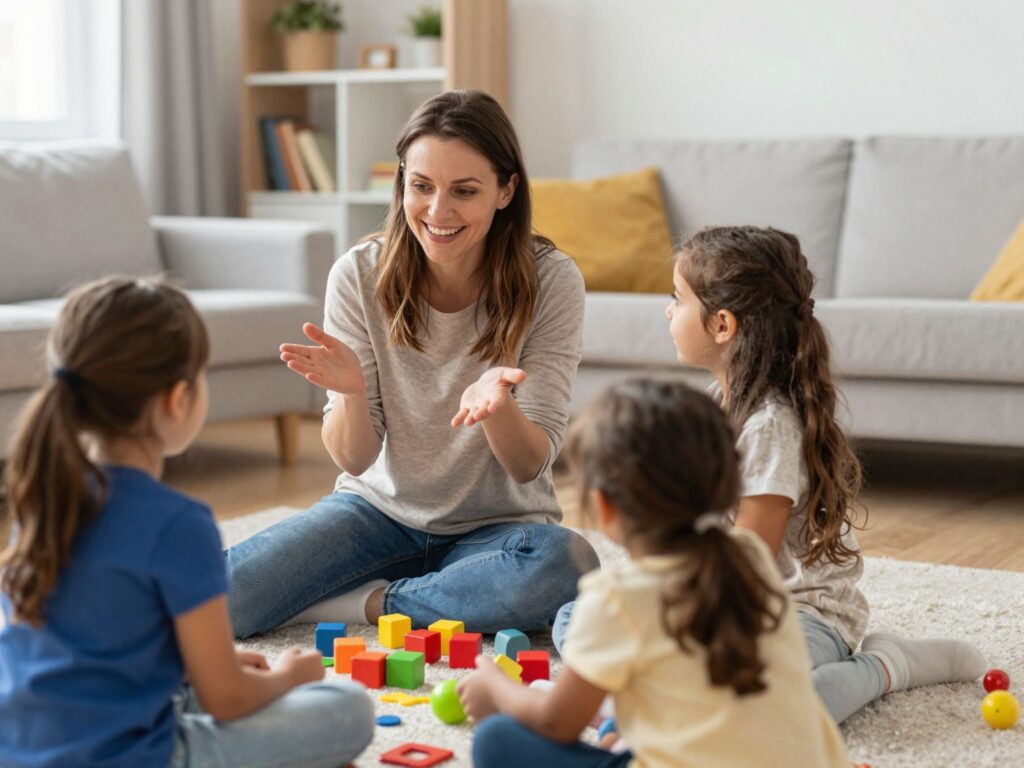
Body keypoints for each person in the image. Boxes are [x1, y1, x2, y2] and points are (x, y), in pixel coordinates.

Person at [226, 90, 598, 639]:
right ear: (402, 182)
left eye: (464, 191)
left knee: (566, 565)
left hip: (497, 530)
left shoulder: (552, 280)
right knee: (219, 598)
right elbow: (356, 458)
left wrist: (497, 410)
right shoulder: (358, 274)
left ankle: (366, 604)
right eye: (421, 187)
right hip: (377, 515)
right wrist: (352, 393)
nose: (438, 212)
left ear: (506, 190)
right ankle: (442, 601)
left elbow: (528, 465)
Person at [0, 277, 374, 768]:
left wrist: (198, 665)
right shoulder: (179, 524)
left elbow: (91, 641)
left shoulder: (46, 495)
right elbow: (229, 701)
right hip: (135, 757)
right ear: (178, 399)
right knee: (348, 709)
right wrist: (290, 676)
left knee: (205, 686)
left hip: (20, 749)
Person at [661, 225, 986, 723]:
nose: (668, 311)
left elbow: (746, 562)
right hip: (737, 605)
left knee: (769, 713)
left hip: (802, 614)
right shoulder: (716, 404)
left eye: (677, 299)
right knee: (586, 624)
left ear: (722, 325)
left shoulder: (769, 426)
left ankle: (885, 663)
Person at [460, 379, 851, 768]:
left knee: (497, 739)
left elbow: (556, 723)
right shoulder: (750, 555)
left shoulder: (616, 597)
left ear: (605, 508)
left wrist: (496, 688)